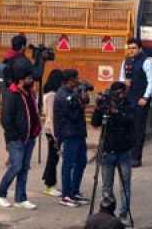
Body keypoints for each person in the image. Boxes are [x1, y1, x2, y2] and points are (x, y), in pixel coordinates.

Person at [0, 60, 41, 210]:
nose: (31, 81)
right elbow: (6, 119)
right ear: (21, 79)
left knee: (24, 168)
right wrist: (15, 136)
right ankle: (0, 193)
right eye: (29, 78)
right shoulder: (12, 94)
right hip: (17, 139)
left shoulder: (28, 93)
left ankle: (21, 198)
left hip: (30, 137)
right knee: (16, 166)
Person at [91, 82, 137, 223]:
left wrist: (116, 112)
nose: (120, 96)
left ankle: (124, 214)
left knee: (125, 185)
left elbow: (129, 120)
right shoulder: (106, 104)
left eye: (121, 93)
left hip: (123, 151)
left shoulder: (128, 105)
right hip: (107, 151)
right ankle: (108, 214)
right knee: (106, 186)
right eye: (117, 93)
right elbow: (95, 123)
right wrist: (99, 109)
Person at [54, 69, 89, 207]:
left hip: (78, 133)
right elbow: (73, 115)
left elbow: (81, 104)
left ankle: (74, 191)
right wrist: (80, 103)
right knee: (68, 165)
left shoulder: (71, 93)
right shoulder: (62, 95)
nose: (78, 81)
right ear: (70, 80)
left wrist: (82, 97)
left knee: (81, 162)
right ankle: (66, 195)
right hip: (68, 134)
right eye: (76, 79)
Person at [122, 37, 152, 167]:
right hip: (128, 100)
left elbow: (151, 81)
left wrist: (145, 98)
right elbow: (121, 77)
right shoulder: (126, 61)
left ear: (140, 49)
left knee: (138, 129)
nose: (131, 50)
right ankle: (127, 155)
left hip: (140, 101)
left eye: (134, 48)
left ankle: (136, 158)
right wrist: (124, 84)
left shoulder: (146, 62)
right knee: (128, 129)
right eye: (129, 48)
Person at [41, 69, 65, 197]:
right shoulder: (52, 96)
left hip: (50, 129)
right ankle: (50, 185)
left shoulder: (48, 94)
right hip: (52, 130)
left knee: (53, 157)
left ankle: (48, 180)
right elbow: (51, 116)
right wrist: (56, 137)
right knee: (53, 158)